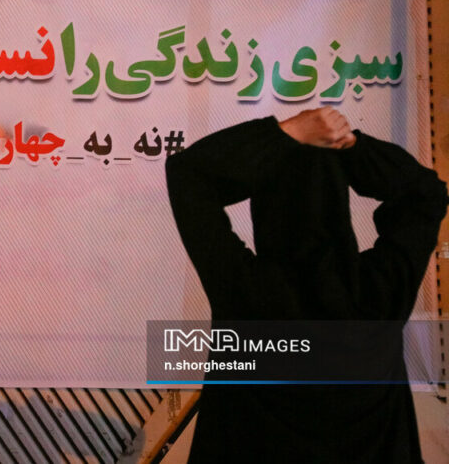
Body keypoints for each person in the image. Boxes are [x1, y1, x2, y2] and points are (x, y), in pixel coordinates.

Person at [165, 107, 448, 463]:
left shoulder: (243, 290)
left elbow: (189, 174)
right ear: (338, 201)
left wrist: (283, 134)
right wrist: (353, 149)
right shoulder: (381, 292)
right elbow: (426, 194)